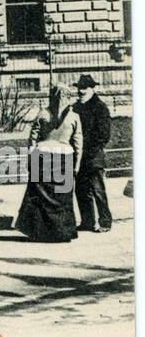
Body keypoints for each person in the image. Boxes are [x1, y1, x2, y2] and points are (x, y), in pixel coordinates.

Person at [14, 84, 82, 243]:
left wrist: (30, 158)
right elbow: (78, 144)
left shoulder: (43, 113)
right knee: (63, 198)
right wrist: (77, 165)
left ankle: (39, 232)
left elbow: (32, 138)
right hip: (64, 158)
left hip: (42, 156)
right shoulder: (74, 117)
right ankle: (62, 232)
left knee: (39, 197)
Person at [72, 73, 113, 232]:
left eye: (85, 88)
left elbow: (103, 135)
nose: (81, 91)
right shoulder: (75, 108)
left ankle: (105, 222)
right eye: (80, 88)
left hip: (93, 156)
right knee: (81, 190)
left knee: (97, 190)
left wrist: (86, 148)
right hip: (79, 157)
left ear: (92, 89)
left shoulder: (100, 107)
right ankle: (87, 221)